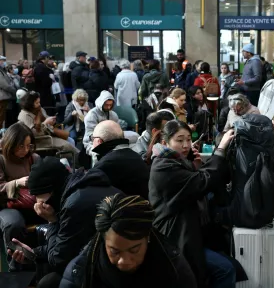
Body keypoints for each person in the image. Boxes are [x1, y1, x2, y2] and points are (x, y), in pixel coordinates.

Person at [9, 157, 122, 288]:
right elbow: (70, 243)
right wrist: (35, 252)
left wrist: (52, 221)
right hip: (106, 259)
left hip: (110, 270)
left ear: (51, 190)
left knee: (49, 282)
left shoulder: (75, 204)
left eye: (41, 200)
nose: (39, 204)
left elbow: (59, 260)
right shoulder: (83, 187)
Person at [149, 120, 236, 287]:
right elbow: (201, 182)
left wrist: (195, 166)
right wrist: (220, 149)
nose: (185, 145)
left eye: (188, 139)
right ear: (165, 143)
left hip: (189, 234)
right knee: (225, 269)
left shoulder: (180, 162)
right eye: (179, 140)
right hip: (175, 237)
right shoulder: (163, 166)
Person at [60, 193, 196, 288]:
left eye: (134, 250)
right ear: (103, 241)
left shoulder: (173, 267)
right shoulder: (80, 272)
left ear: (148, 237)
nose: (124, 261)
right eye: (114, 251)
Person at [0, 123, 41, 271]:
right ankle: (16, 269)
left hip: (32, 202)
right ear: (11, 143)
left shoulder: (34, 158)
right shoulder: (1, 159)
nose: (25, 150)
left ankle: (46, 263)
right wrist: (17, 183)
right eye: (21, 146)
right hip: (7, 205)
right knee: (13, 225)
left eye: (28, 145)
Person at [91, 120, 149, 199]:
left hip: (124, 209)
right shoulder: (136, 156)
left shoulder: (105, 164)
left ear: (99, 141)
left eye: (92, 138)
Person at [83, 90, 118, 156]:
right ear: (101, 103)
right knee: (98, 153)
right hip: (92, 141)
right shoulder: (92, 115)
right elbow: (90, 134)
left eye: (110, 105)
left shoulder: (113, 115)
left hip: (111, 140)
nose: (109, 107)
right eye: (106, 105)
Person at [0, 56, 16, 128]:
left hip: (4, 98)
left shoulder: (2, 70)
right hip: (2, 98)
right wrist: (14, 90)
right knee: (1, 119)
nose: (4, 62)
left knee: (3, 118)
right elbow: (5, 85)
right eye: (2, 60)